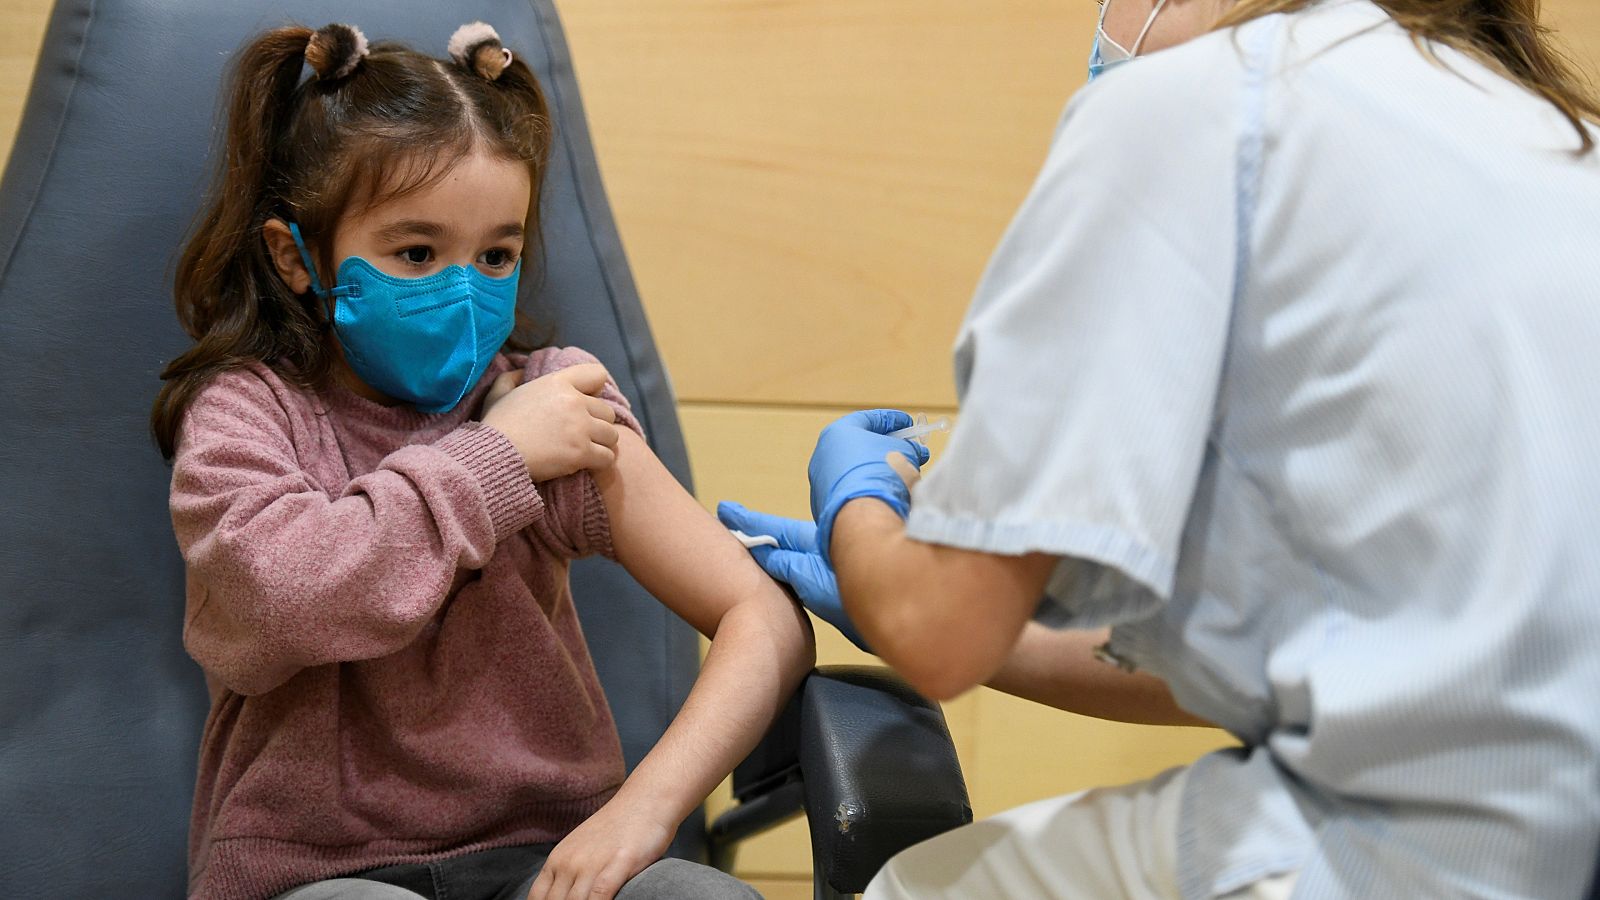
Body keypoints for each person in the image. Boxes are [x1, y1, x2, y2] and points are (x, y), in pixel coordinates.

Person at [718, 0, 1600, 896]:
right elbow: (1356, 654)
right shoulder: (1550, 138)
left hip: (1411, 854)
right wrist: (966, 621)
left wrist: (860, 511)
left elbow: (937, 631)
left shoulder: (1202, 109)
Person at [151, 22, 814, 900]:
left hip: (544, 862)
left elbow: (761, 620)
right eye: (416, 253)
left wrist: (640, 816)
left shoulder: (558, 404)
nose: (463, 289)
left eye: (496, 255)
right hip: (318, 873)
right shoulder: (247, 415)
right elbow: (282, 603)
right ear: (297, 256)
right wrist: (495, 459)